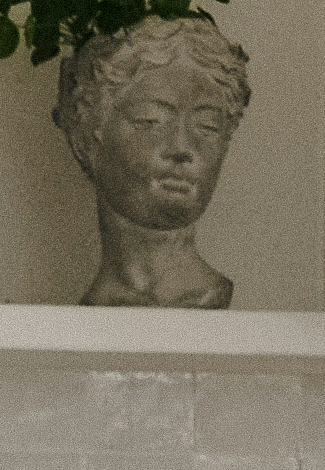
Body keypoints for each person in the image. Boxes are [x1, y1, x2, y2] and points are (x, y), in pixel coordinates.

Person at [55, 16, 251, 309]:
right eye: (151, 121)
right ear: (90, 135)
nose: (182, 148)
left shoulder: (210, 294)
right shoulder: (101, 305)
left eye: (207, 126)